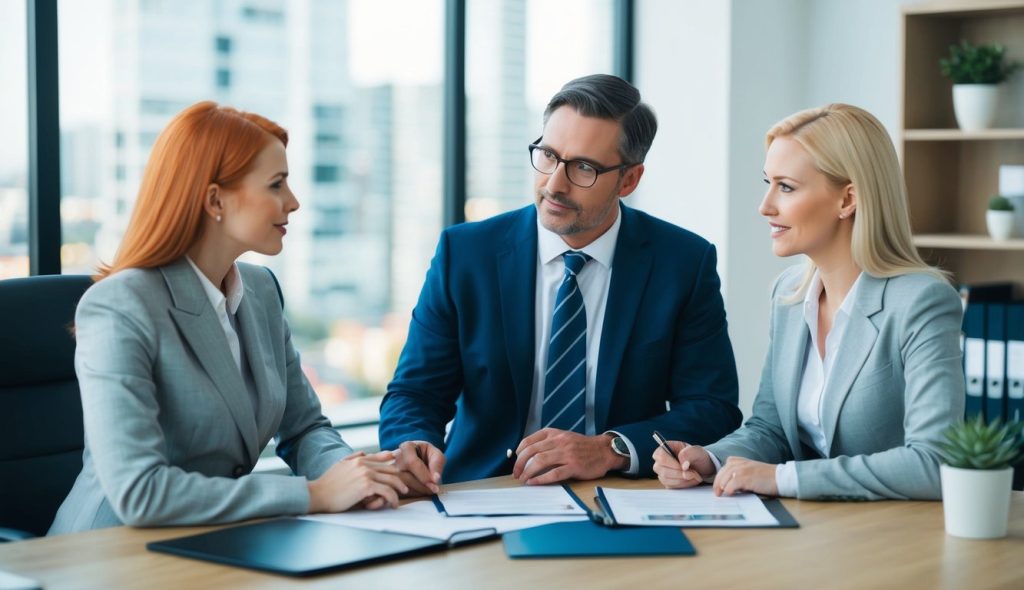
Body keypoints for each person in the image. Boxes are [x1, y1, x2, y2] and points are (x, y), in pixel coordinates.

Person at [49, 102, 407, 534]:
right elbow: (139, 491)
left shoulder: (260, 292)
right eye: (276, 185)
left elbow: (305, 428)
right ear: (215, 199)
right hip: (110, 554)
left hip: (217, 543)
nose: (293, 203)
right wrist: (315, 495)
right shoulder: (119, 305)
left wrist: (362, 477)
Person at [379, 74, 742, 491]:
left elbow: (712, 407)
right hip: (481, 491)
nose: (554, 183)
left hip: (617, 494)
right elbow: (415, 393)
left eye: (583, 167)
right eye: (548, 156)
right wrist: (413, 443)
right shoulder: (466, 254)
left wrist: (610, 449)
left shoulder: (683, 262)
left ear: (629, 180)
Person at [653, 104, 965, 501]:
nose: (764, 206)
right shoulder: (788, 296)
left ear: (847, 200)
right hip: (811, 530)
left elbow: (934, 461)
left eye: (786, 187)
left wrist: (784, 479)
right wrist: (710, 460)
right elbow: (771, 429)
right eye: (768, 183)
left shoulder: (920, 302)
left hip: (891, 539)